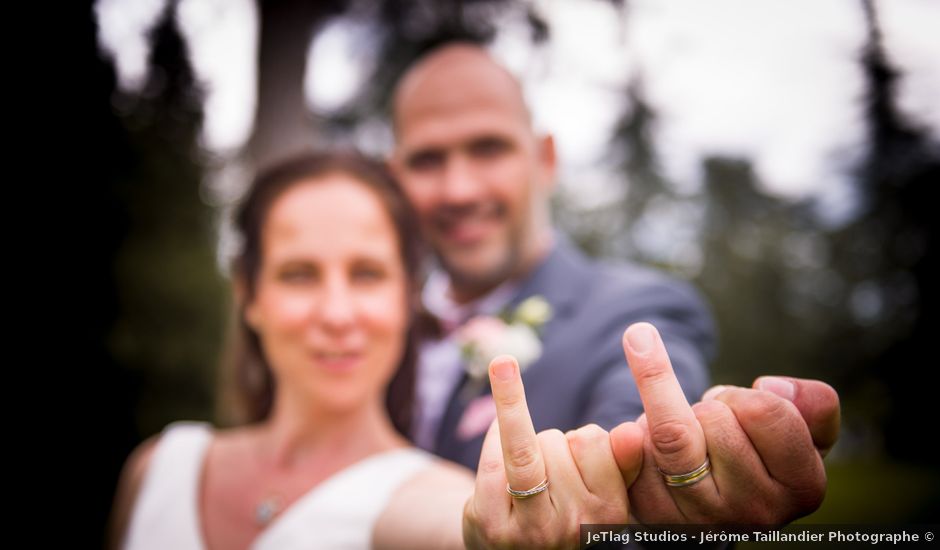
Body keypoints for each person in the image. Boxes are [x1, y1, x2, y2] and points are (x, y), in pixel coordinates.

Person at [389, 42, 839, 526]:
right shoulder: (363, 325)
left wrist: (671, 483)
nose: (459, 189)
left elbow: (635, 442)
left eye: (488, 149)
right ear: (395, 177)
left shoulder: (635, 309)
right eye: (428, 160)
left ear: (545, 159)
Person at [109, 151, 646, 550]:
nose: (337, 313)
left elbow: (468, 528)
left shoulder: (435, 499)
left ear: (408, 298)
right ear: (250, 298)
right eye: (299, 275)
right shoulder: (157, 467)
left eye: (367, 275)